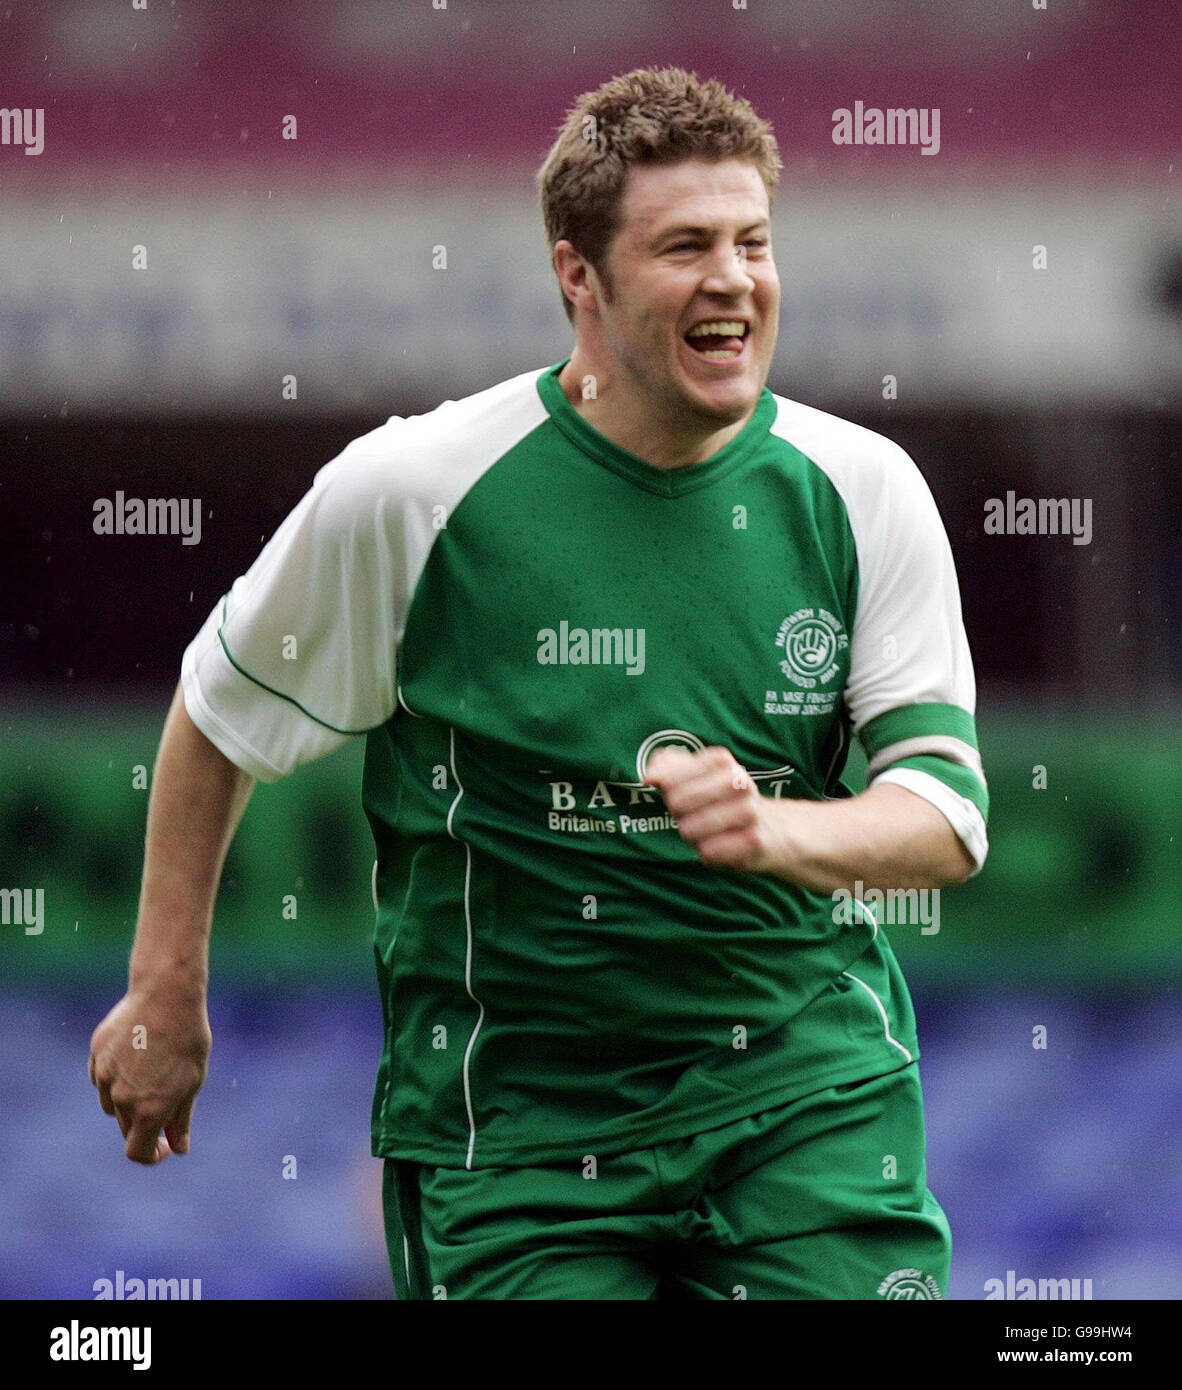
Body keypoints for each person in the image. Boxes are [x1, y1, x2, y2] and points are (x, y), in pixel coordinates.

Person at [89, 66, 987, 1301]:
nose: (734, 277)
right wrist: (164, 987)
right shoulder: (411, 492)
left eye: (754, 241)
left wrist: (783, 828)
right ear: (580, 276)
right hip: (515, 1133)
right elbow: (219, 714)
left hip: (806, 1097)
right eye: (685, 245)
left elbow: (947, 813)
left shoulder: (863, 488)